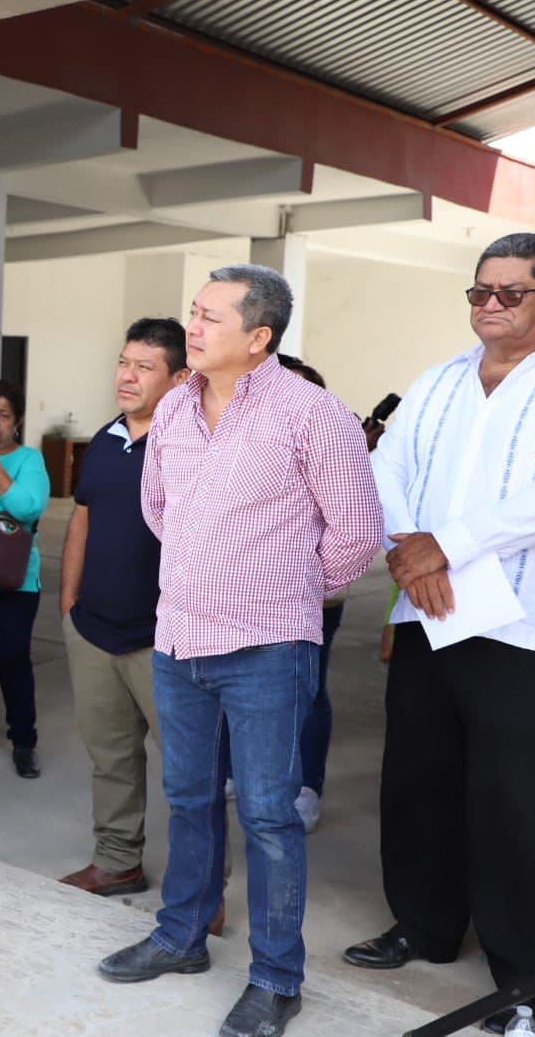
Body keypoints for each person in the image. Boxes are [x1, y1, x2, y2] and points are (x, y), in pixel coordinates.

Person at [98, 264, 382, 1037]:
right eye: (193, 312)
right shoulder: (177, 410)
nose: (192, 327)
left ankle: (276, 978)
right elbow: (160, 510)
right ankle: (181, 937)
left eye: (211, 318)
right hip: (179, 637)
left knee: (266, 814)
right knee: (189, 798)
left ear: (258, 338)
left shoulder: (312, 414)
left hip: (266, 647)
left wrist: (285, 589)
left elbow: (357, 533)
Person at [346, 233, 535, 1036]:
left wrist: (445, 546)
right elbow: (386, 470)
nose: (489, 306)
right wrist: (408, 549)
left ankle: (524, 979)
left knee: (516, 808)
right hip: (429, 613)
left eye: (510, 293)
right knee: (419, 784)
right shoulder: (440, 380)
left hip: (524, 629)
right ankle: (423, 925)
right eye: (479, 292)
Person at [58, 318, 190, 898]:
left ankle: (200, 886)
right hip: (94, 631)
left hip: (165, 639)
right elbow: (82, 519)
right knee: (110, 758)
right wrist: (69, 604)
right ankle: (117, 861)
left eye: (144, 366)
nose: (126, 376)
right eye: (122, 362)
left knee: (191, 774)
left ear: (180, 376)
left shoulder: (194, 445)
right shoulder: (106, 441)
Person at [218, 353, 347, 833]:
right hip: (244, 595)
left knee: (306, 692)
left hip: (311, 598)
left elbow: (350, 528)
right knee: (236, 683)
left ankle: (305, 785)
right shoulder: (247, 445)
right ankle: (235, 770)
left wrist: (312, 586)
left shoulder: (327, 446)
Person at [0, 378, 49, 777]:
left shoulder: (29, 459)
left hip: (15, 579)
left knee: (13, 658)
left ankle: (24, 740)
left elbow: (27, 508)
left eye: (4, 414)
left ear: (16, 421)